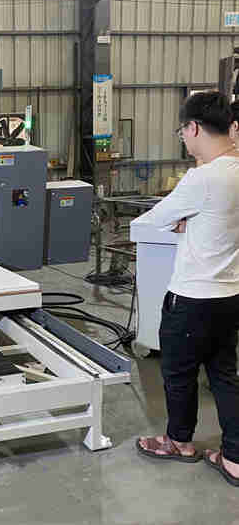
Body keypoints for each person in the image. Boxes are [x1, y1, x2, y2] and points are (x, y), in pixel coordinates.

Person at [136, 91, 239, 487]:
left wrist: (181, 219)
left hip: (193, 297)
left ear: (193, 127)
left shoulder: (203, 178)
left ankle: (178, 442)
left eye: (182, 130)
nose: (183, 137)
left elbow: (156, 217)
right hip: (230, 295)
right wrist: (193, 221)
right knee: (224, 375)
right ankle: (234, 457)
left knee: (178, 374)